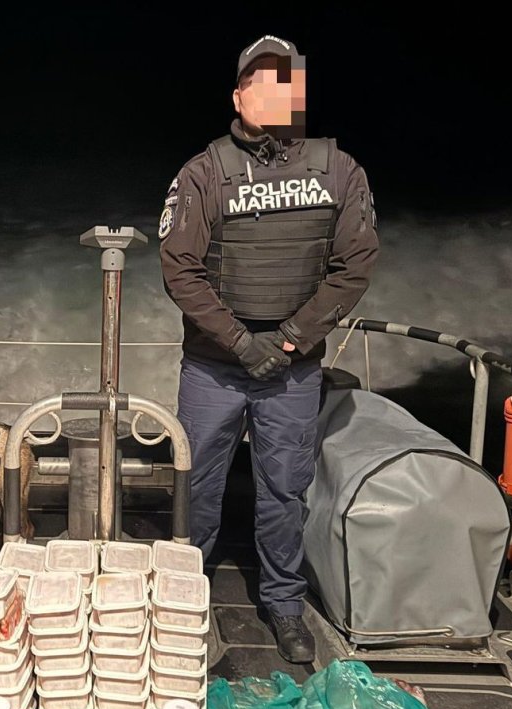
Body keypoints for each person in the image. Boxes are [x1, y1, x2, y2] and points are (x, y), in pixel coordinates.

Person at [158, 34, 379, 663]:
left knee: (284, 490)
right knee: (196, 486)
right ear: (238, 96)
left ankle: (284, 604)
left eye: (285, 83)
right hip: (215, 366)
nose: (271, 94)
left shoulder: (340, 171)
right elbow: (180, 269)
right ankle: (187, 597)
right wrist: (239, 341)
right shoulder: (203, 172)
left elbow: (354, 266)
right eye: (258, 83)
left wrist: (287, 340)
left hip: (292, 366)